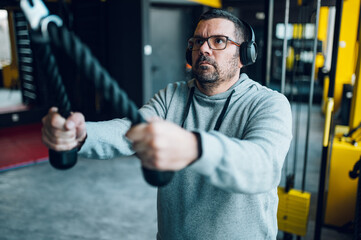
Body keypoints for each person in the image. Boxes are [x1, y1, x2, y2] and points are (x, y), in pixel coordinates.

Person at [42, 9, 292, 240]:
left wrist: (194, 146)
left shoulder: (268, 103)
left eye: (218, 41)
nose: (204, 48)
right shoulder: (173, 96)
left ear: (243, 56)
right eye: (197, 41)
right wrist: (81, 135)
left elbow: (263, 166)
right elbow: (128, 130)